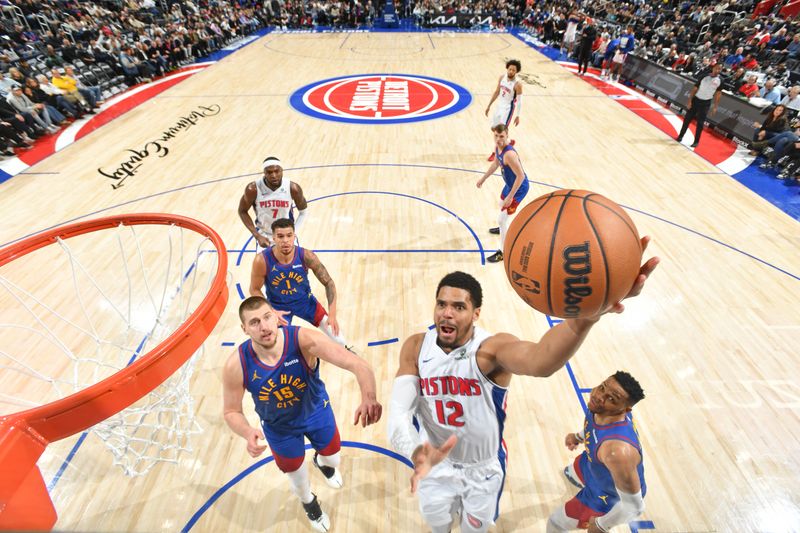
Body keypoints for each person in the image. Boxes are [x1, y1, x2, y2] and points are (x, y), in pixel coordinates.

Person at [388, 254, 658, 533]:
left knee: (473, 530)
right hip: (431, 462)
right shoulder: (416, 346)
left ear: (476, 313)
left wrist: (586, 318)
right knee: (437, 524)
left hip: (481, 468)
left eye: (459, 307)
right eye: (442, 304)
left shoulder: (491, 350)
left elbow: (541, 360)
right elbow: (398, 415)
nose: (447, 313)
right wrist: (416, 453)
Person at [223, 296, 382, 532]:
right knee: (297, 476)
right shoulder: (236, 364)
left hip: (315, 412)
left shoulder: (303, 340)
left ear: (277, 317)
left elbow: (358, 364)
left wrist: (368, 397)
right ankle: (309, 503)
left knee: (333, 458)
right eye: (255, 322)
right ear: (244, 329)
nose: (264, 327)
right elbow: (231, 411)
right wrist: (247, 432)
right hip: (279, 429)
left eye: (267, 317)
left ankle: (321, 461)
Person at [546, 372, 646, 532]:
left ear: (625, 409)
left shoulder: (617, 451)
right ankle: (580, 481)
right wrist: (578, 437)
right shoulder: (600, 408)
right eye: (602, 387)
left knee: (556, 522)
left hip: (607, 496)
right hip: (595, 464)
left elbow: (635, 506)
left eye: (612, 398)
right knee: (572, 471)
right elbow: (594, 427)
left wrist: (602, 524)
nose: (599, 396)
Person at [249, 218, 348, 346]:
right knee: (278, 345)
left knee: (340, 341)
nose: (285, 240)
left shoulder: (307, 256)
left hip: (306, 302)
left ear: (294, 236)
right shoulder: (261, 260)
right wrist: (271, 311)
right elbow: (254, 289)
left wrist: (332, 314)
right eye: (280, 236)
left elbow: (329, 282)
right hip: (278, 307)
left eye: (289, 235)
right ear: (273, 238)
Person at [476, 123, 530, 264]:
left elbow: (521, 176)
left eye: (502, 136)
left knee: (502, 219)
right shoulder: (498, 148)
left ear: (507, 135)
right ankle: (503, 228)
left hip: (519, 188)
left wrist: (510, 196)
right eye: (496, 136)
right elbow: (495, 164)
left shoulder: (510, 154)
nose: (498, 139)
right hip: (510, 185)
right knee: (500, 203)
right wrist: (483, 178)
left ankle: (503, 252)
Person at [238, 156, 308, 249]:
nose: (273, 175)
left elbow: (303, 212)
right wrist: (257, 235)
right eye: (269, 172)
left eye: (276, 171)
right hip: (265, 235)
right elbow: (242, 211)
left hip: (286, 235)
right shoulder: (253, 189)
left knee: (293, 263)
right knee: (262, 263)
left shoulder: (293, 188)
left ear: (282, 170)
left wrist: (293, 232)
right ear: (264, 173)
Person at [675, 62, 723, 148]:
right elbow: (695, 88)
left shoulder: (720, 80)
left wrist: (715, 107)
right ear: (713, 67)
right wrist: (690, 101)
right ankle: (680, 136)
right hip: (696, 100)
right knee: (687, 120)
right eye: (717, 68)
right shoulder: (704, 76)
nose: (718, 70)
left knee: (700, 123)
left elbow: (718, 94)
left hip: (706, 103)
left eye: (720, 69)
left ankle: (696, 141)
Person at [484, 59, 522, 162]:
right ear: (507, 68)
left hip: (507, 109)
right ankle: (509, 141)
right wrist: (489, 105)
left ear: (516, 71)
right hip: (499, 106)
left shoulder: (518, 84)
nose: (511, 71)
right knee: (493, 129)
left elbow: (519, 101)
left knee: (499, 132)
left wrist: (518, 115)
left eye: (513, 70)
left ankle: (494, 153)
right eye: (510, 69)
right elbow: (497, 92)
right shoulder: (502, 78)